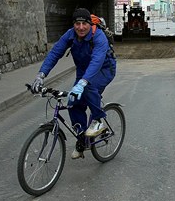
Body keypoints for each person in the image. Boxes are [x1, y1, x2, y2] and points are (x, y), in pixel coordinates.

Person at [31, 8, 117, 159]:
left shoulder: (99, 37)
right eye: (77, 23)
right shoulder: (70, 35)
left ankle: (97, 120)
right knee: (73, 101)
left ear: (90, 24)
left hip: (104, 69)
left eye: (84, 23)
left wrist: (83, 82)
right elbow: (55, 53)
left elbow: (97, 61)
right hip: (83, 70)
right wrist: (40, 75)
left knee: (89, 87)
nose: (81, 27)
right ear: (74, 24)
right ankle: (83, 139)